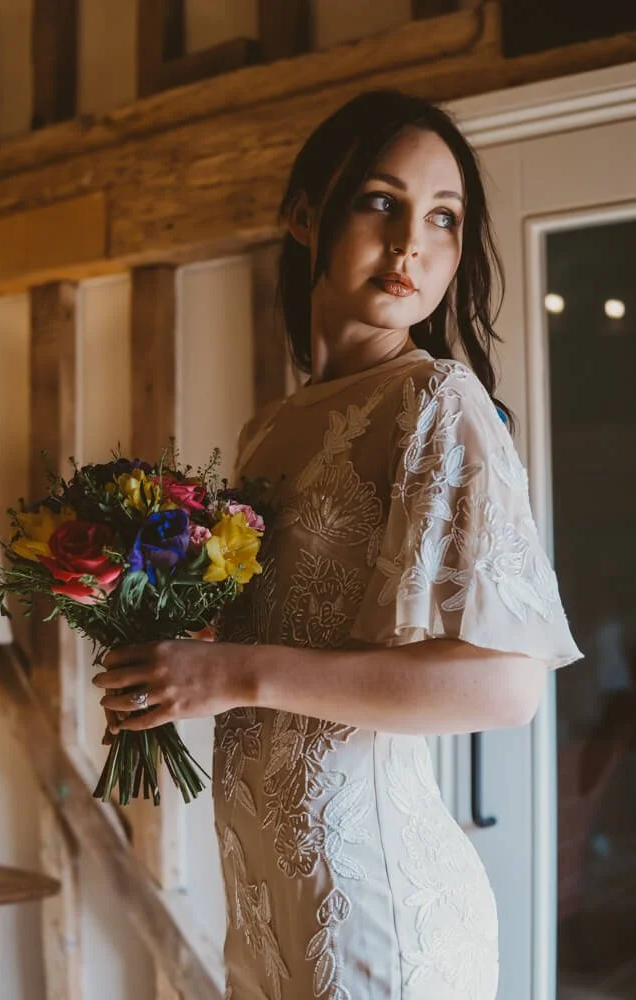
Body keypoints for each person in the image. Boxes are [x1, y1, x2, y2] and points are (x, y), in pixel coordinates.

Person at [93, 90, 583, 999]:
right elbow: (289, 640)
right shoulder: (263, 433)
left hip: (375, 914)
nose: (410, 247)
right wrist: (170, 664)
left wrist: (232, 674)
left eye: (443, 218)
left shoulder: (436, 403)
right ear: (303, 213)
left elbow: (508, 687)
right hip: (261, 894)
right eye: (380, 202)